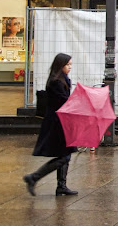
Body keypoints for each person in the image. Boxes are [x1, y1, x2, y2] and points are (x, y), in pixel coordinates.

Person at [23, 53, 78, 196]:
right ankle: (33, 177)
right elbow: (64, 102)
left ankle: (61, 186)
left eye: (71, 64)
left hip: (62, 122)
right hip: (57, 124)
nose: (70, 67)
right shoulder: (56, 82)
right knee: (64, 156)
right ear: (60, 66)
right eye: (67, 65)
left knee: (66, 154)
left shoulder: (63, 79)